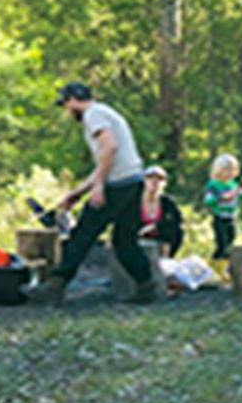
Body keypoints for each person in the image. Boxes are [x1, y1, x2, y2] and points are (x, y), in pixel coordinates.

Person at [30, 83, 156, 305]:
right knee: (124, 241)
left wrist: (98, 187)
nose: (67, 111)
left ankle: (55, 287)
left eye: (66, 105)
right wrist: (77, 193)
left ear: (73, 100)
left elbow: (110, 148)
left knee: (82, 235)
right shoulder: (106, 112)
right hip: (133, 181)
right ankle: (147, 287)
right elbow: (105, 163)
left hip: (116, 186)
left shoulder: (93, 114)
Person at [202, 153, 242, 260]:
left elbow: (238, 198)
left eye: (233, 170)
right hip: (219, 216)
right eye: (227, 170)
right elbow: (208, 200)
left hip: (231, 216)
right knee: (222, 243)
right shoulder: (213, 184)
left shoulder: (233, 184)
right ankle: (215, 262)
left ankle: (226, 264)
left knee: (231, 240)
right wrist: (221, 198)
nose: (230, 173)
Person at [139, 164, 185, 257]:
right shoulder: (134, 201)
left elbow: (176, 224)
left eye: (160, 178)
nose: (154, 181)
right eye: (150, 177)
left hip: (162, 242)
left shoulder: (168, 203)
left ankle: (165, 261)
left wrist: (156, 227)